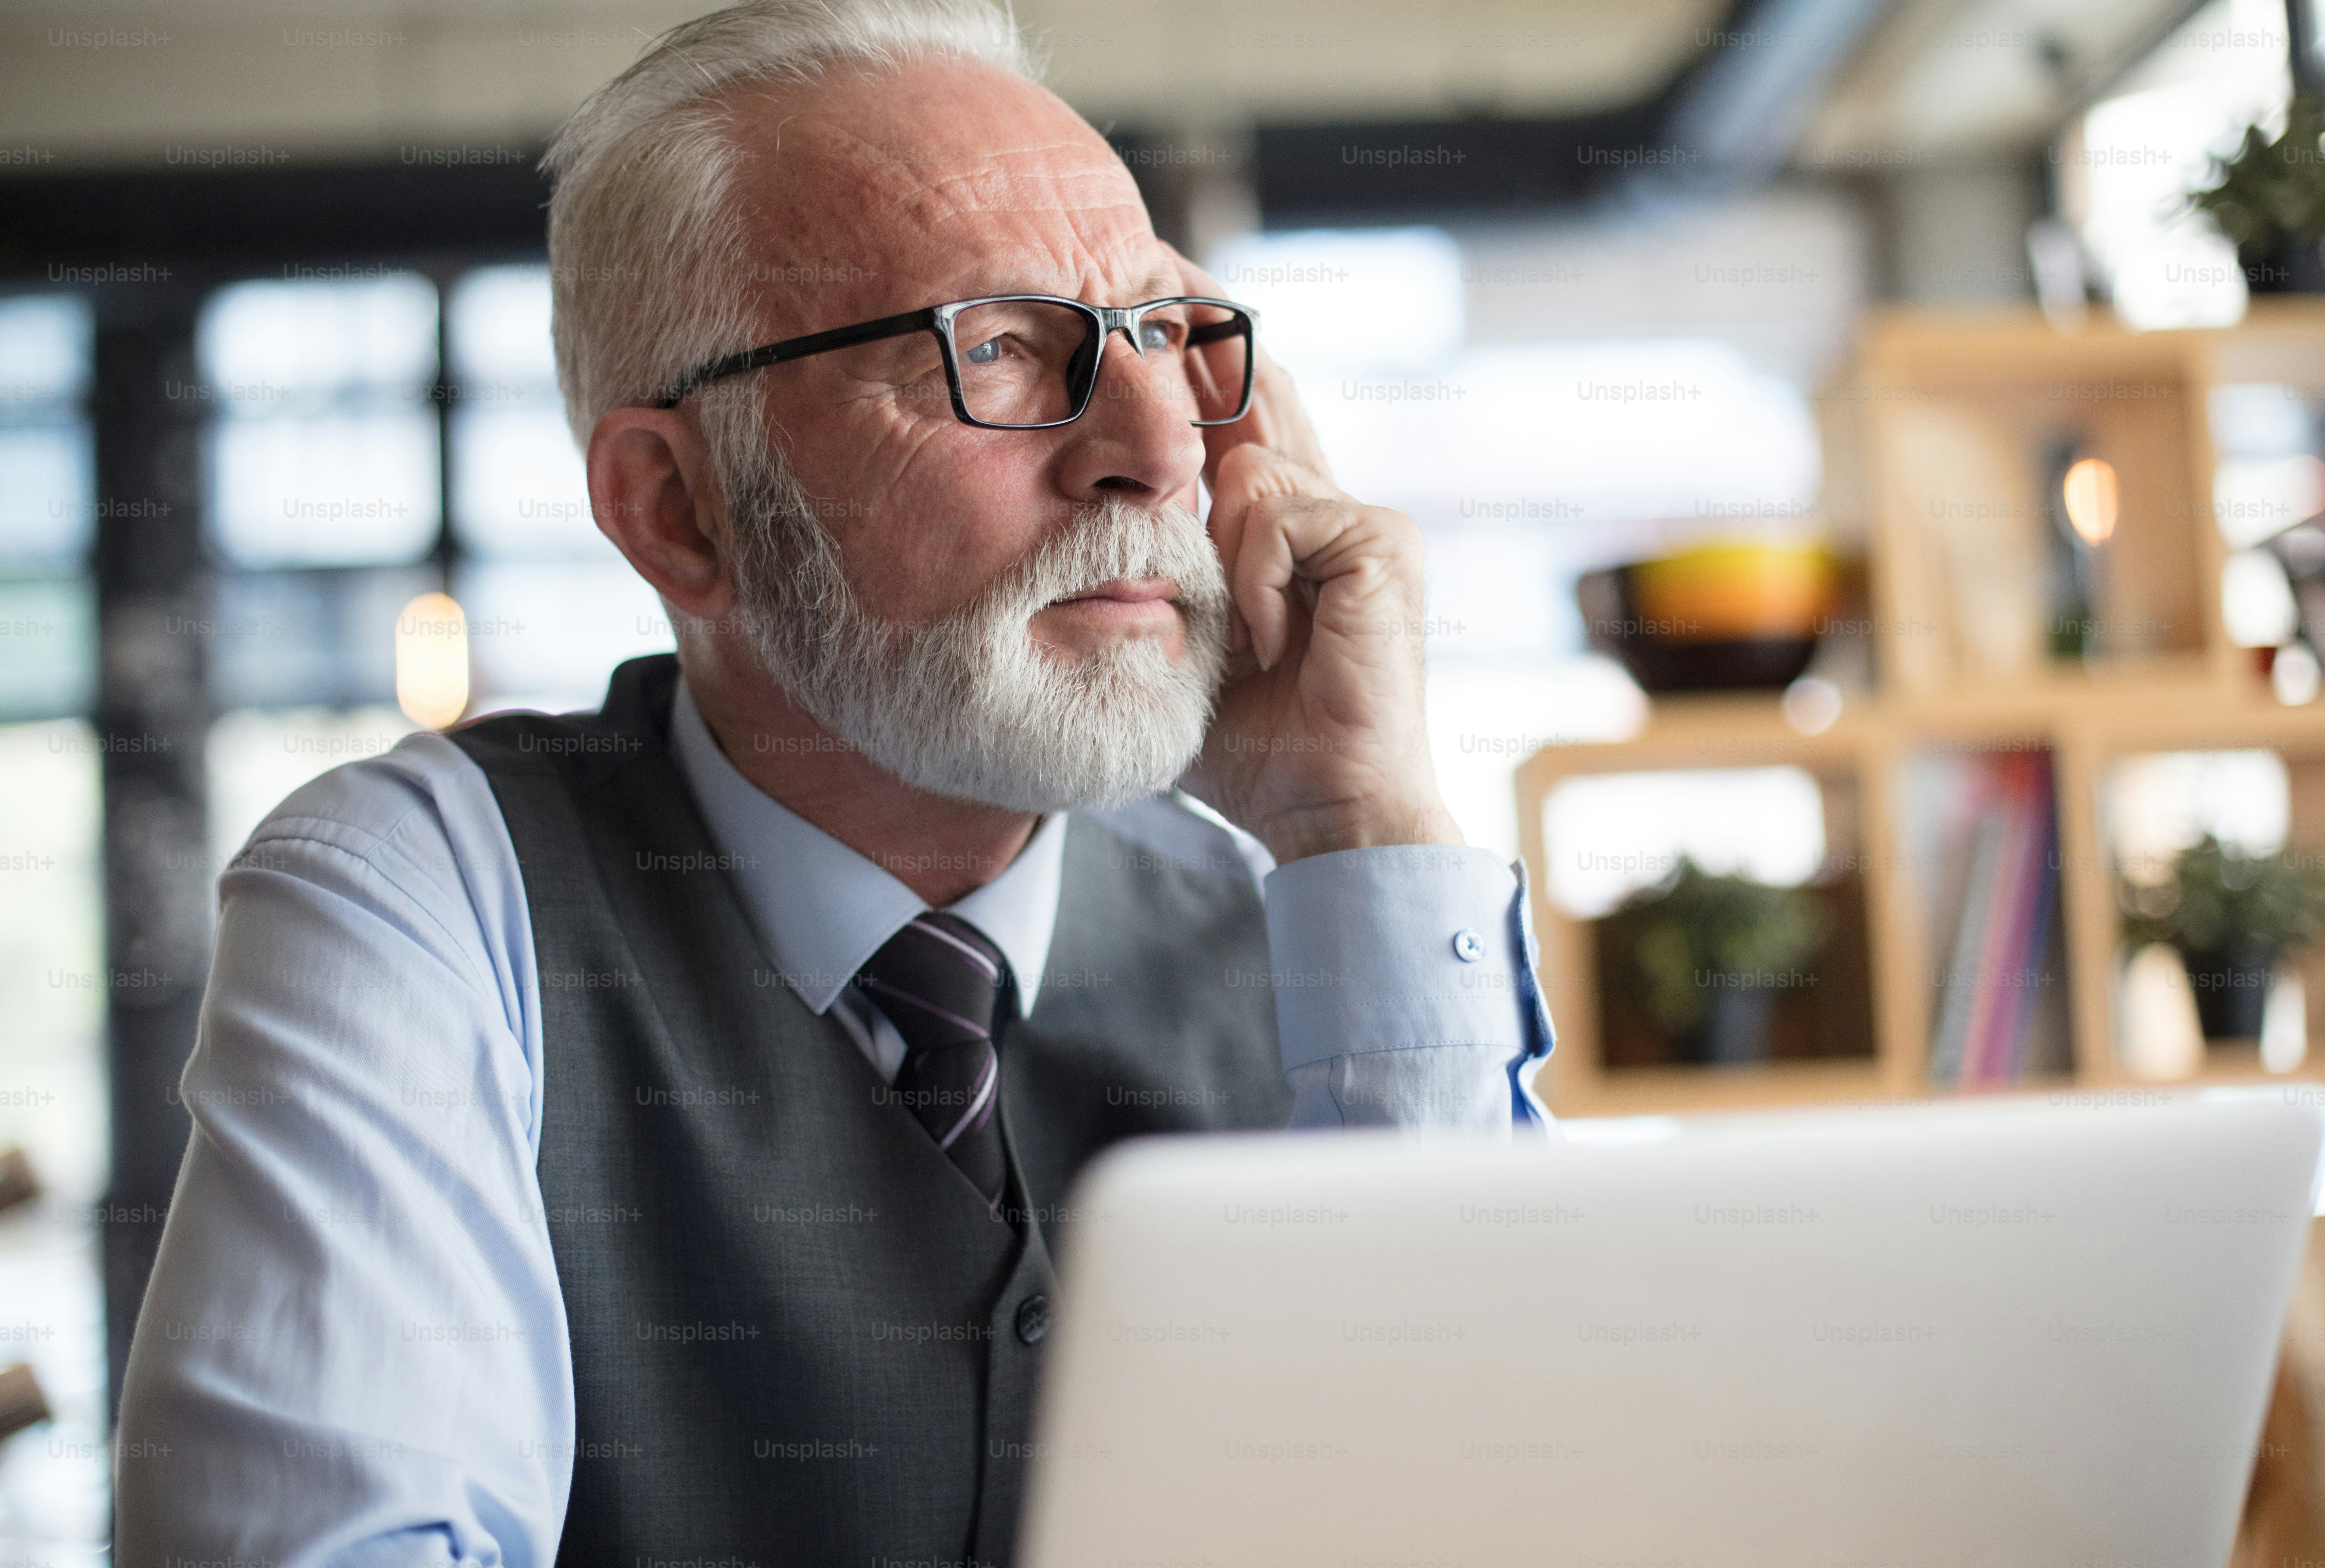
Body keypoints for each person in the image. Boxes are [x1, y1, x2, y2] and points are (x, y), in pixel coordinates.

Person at [115, 1, 1556, 1561]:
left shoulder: (1312, 931)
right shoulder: (432, 898)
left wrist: (1361, 829)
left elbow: (1486, 1509)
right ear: (677, 511)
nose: (1155, 447)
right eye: (996, 350)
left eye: (1162, 334)